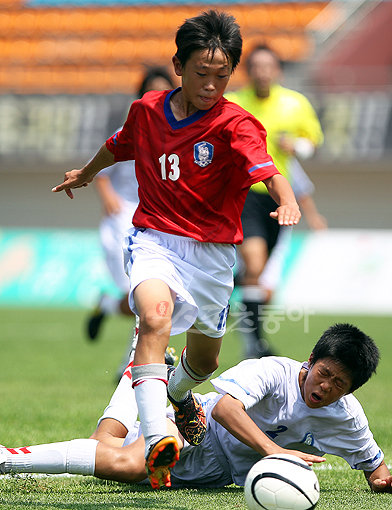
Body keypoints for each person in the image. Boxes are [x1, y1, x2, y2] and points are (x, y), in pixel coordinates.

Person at [51, 10, 301, 489]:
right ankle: (153, 438)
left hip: (212, 256)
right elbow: (117, 145)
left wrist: (286, 201)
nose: (211, 86)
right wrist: (86, 174)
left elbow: (268, 171)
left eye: (222, 76)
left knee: (204, 362)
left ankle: (178, 398)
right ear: (179, 66)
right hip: (155, 239)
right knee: (155, 318)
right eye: (201, 74)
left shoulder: (238, 123)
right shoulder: (146, 111)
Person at [2, 323, 391, 494]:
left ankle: (138, 372)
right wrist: (276, 453)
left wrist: (382, 481)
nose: (325, 387)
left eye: (339, 385)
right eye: (324, 374)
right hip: (195, 428)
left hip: (210, 475)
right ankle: (6, 460)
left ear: (351, 390)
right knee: (129, 464)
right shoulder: (274, 371)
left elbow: (376, 469)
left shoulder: (347, 417)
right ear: (310, 360)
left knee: (105, 446)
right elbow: (225, 409)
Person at [226, 45, 324, 358]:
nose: (262, 72)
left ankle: (222, 286)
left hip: (279, 196)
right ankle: (254, 346)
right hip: (243, 194)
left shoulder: (295, 104)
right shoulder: (234, 103)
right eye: (256, 66)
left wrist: (295, 144)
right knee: (254, 265)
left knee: (258, 277)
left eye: (268, 66)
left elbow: (313, 143)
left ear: (278, 71)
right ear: (247, 71)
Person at [87, 67, 176, 343]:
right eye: (151, 92)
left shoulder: (179, 135)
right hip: (124, 215)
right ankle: (134, 365)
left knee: (150, 298)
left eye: (163, 92)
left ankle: (109, 311)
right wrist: (109, 197)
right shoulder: (129, 130)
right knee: (137, 297)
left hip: (158, 219)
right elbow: (101, 172)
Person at [235, 159, 328, 358]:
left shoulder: (286, 161)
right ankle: (254, 343)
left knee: (265, 292)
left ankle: (251, 340)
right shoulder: (247, 156)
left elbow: (301, 191)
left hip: (278, 228)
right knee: (254, 266)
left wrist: (312, 216)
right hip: (248, 213)